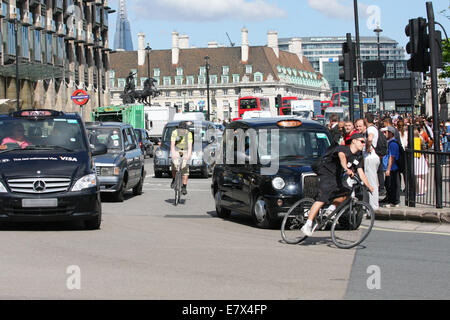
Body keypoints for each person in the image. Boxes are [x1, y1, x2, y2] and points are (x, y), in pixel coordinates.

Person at [301, 133, 374, 237]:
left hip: (336, 176)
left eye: (365, 142)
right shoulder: (343, 149)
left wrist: (368, 185)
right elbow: (342, 157)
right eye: (362, 141)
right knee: (323, 197)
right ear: (354, 141)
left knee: (346, 192)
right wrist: (346, 168)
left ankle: (330, 209)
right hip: (325, 172)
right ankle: (308, 224)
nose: (364, 144)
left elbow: (360, 171)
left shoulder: (358, 156)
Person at [170, 121, 193, 195]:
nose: (182, 131)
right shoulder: (174, 132)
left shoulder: (189, 134)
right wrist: (173, 154)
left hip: (185, 150)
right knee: (174, 165)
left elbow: (190, 147)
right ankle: (174, 179)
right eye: (181, 129)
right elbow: (172, 145)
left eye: (183, 129)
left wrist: (187, 156)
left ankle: (184, 187)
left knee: (185, 168)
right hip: (176, 149)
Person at [364, 113, 380, 210]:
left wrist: (368, 146)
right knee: (371, 182)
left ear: (366, 119)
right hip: (373, 157)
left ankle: (373, 206)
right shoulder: (374, 128)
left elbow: (370, 138)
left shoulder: (370, 129)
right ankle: (371, 205)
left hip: (370, 158)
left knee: (371, 183)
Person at [381, 126, 401, 208]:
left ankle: (394, 201)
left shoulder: (393, 144)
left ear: (391, 133)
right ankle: (391, 200)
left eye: (386, 132)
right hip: (390, 167)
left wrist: (388, 169)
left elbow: (392, 157)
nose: (384, 134)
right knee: (388, 184)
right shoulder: (389, 142)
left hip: (393, 168)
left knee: (392, 185)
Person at [413, 128, 428, 196]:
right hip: (421, 158)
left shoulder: (412, 141)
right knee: (422, 176)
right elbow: (424, 148)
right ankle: (422, 189)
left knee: (418, 176)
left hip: (415, 158)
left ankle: (420, 191)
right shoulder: (421, 139)